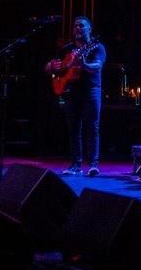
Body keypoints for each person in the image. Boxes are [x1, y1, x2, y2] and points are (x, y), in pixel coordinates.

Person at [46, 16, 107, 177]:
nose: (78, 28)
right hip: (71, 92)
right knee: (74, 129)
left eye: (81, 26)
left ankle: (93, 165)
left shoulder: (96, 47)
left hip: (91, 91)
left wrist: (84, 64)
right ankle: (75, 165)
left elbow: (97, 67)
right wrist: (52, 66)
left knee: (92, 127)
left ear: (89, 29)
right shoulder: (66, 49)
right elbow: (49, 67)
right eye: (75, 26)